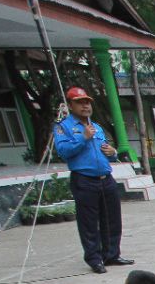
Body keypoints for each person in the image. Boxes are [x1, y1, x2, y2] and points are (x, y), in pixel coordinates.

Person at [52, 87, 132, 274]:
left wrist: (113, 153)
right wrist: (83, 138)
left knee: (112, 219)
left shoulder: (96, 126)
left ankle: (111, 254)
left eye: (87, 102)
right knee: (89, 222)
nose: (86, 106)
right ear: (71, 105)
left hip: (106, 178)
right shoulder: (63, 127)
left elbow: (104, 151)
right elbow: (63, 152)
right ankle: (95, 259)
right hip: (84, 180)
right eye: (80, 102)